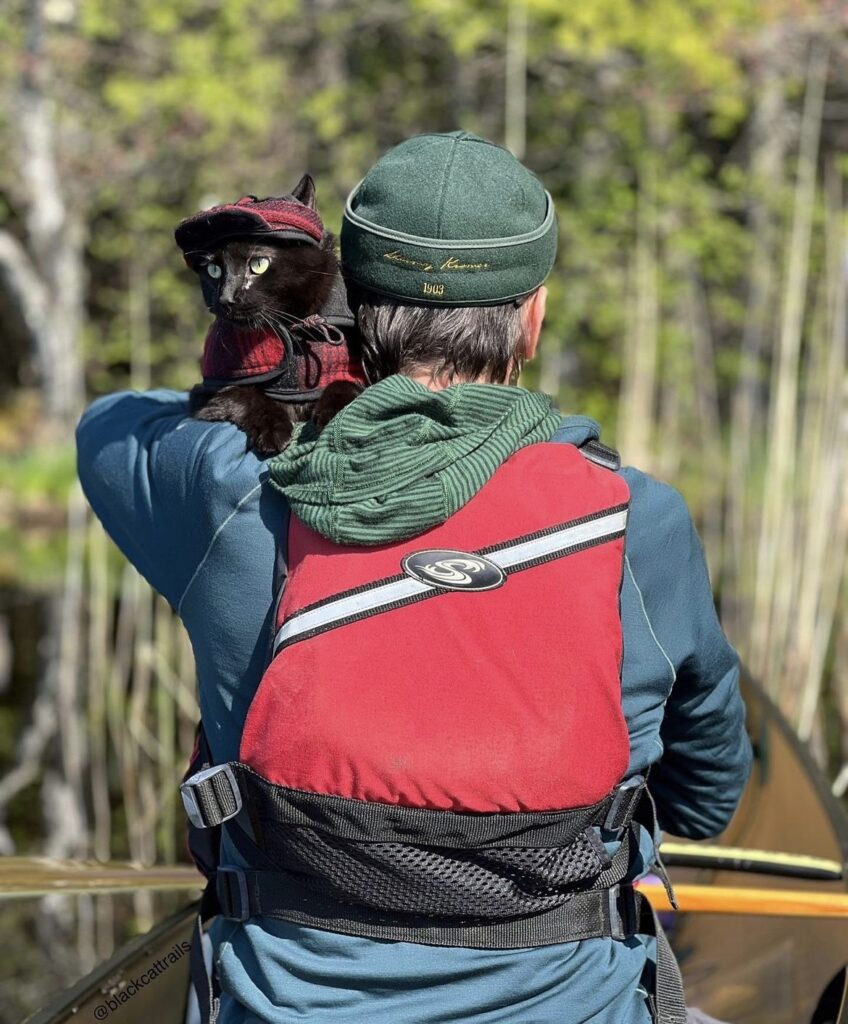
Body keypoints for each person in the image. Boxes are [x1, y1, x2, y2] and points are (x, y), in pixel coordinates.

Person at [77, 130, 752, 1024]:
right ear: (534, 315)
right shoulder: (638, 521)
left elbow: (110, 424)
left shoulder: (231, 495)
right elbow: (708, 796)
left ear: (355, 304)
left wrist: (282, 372)